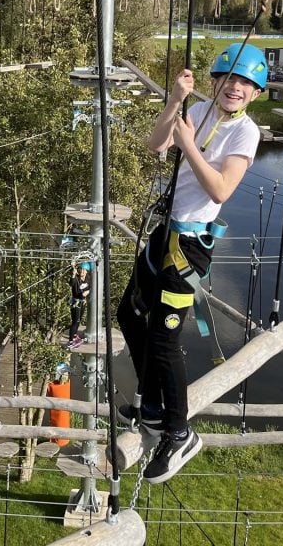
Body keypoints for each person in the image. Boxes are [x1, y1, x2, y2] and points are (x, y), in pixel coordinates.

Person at [117, 42, 266, 484]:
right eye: (228, 79)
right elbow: (155, 144)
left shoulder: (247, 133)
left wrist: (190, 144)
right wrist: (175, 103)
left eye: (244, 83)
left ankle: (179, 432)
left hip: (191, 244)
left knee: (165, 340)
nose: (234, 87)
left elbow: (220, 189)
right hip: (163, 235)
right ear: (215, 81)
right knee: (129, 314)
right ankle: (150, 405)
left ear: (255, 93)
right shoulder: (198, 111)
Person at [66, 262, 92, 349]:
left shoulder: (88, 278)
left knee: (79, 320)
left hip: (82, 302)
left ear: (87, 271)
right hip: (75, 302)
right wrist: (73, 274)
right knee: (75, 321)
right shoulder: (76, 278)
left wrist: (88, 292)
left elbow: (90, 286)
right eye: (81, 269)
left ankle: (74, 336)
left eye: (84, 270)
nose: (82, 271)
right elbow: (71, 283)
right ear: (78, 270)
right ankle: (71, 340)